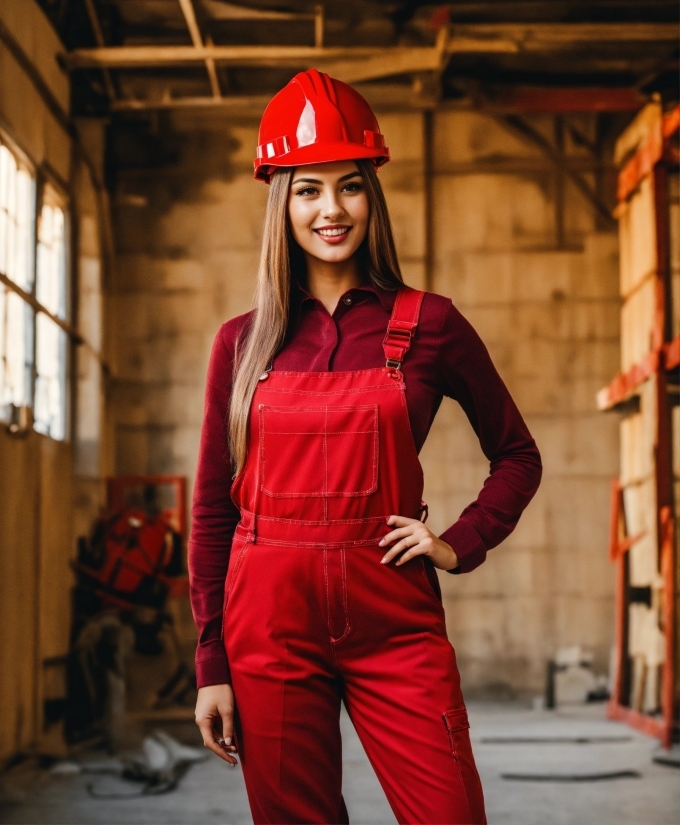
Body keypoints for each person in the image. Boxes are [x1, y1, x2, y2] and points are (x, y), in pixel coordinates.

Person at [189, 69, 541, 825]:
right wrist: (210, 661)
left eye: (348, 186)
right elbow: (213, 513)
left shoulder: (430, 324)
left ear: (370, 194)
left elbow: (517, 455)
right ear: (281, 201)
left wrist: (455, 543)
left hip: (394, 617)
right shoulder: (241, 344)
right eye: (308, 190)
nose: (330, 210)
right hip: (268, 623)